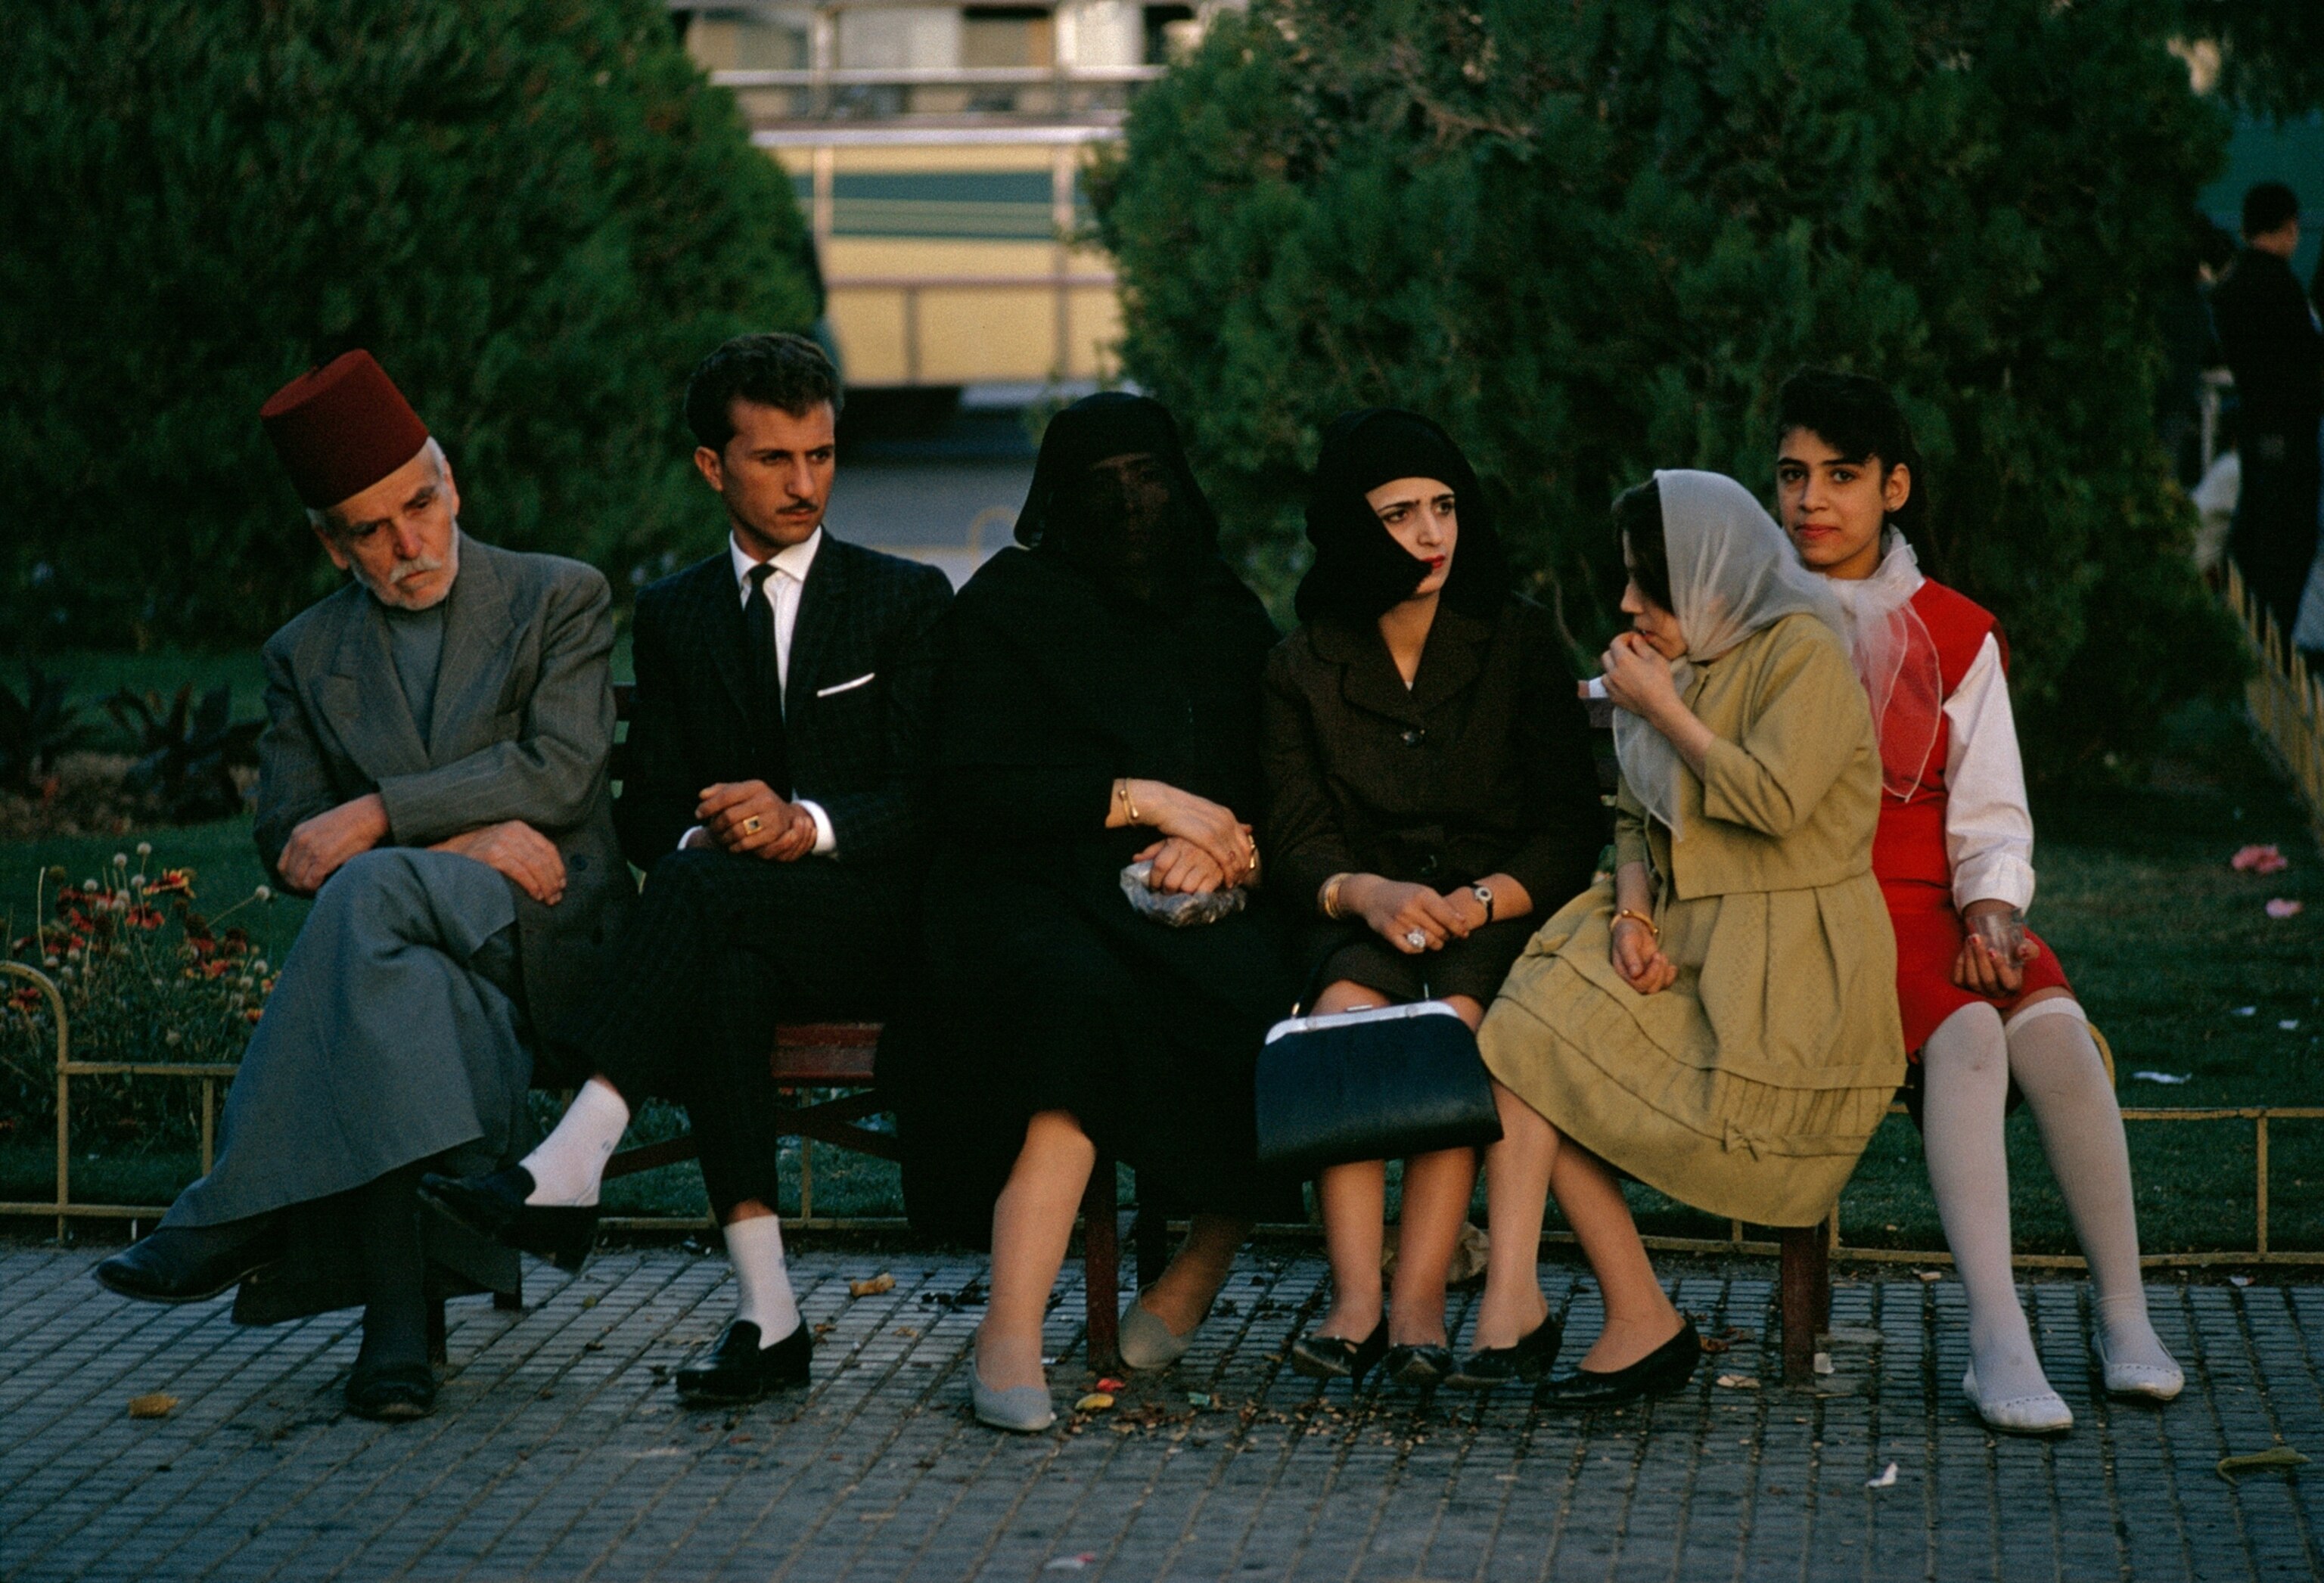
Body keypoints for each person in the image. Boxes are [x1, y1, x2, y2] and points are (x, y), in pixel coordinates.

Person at [95, 349, 630, 1421]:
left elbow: (561, 771)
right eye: (371, 528)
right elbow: (291, 846)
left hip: (550, 928)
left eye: (420, 506)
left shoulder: (556, 596)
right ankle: (397, 1341)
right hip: (422, 951)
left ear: (451, 484)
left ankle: (232, 1211)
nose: (409, 543)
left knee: (369, 897)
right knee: (406, 984)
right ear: (330, 543)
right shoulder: (305, 652)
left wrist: (383, 817)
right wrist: (460, 841)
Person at [424, 333, 952, 1407]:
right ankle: (770, 1317)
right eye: (774, 460)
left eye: (822, 455)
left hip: (883, 923)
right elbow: (652, 803)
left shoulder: (905, 598)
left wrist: (804, 824)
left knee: (706, 905)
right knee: (718, 958)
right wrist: (710, 829)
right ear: (712, 466)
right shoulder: (673, 614)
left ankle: (575, 1157)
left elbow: (935, 796)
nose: (805, 483)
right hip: (743, 925)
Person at [1774, 368, 2182, 1433]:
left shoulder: (1956, 630)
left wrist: (1994, 909)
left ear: (1895, 487)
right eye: (1793, 475)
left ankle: (2124, 1312)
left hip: (1948, 899)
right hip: (1836, 910)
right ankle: (1996, 1334)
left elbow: (1991, 806)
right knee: (1966, 1037)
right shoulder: (1762, 622)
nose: (1813, 499)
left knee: (2053, 1033)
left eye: (1843, 476)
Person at [884, 393, 1299, 1432]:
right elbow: (973, 791)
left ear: (1183, 483)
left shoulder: (1224, 610)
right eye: (1100, 485)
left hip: (1179, 891)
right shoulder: (1010, 604)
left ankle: (1199, 1266)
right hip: (1019, 881)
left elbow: (1272, 780)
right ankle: (1010, 1329)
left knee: (1259, 986)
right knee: (1074, 996)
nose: (1129, 505)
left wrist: (1228, 853)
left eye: (1149, 476)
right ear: (1057, 501)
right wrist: (1146, 799)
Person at [1472, 470, 1903, 1408]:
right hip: (1678, 930)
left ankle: (1622, 1317)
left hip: (1789, 970)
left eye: (1650, 585)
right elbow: (1634, 815)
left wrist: (1662, 705)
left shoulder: (1804, 656)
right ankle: (1532, 1299)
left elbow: (1776, 801)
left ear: (1714, 578)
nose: (1629, 604)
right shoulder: (1679, 656)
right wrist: (1630, 915)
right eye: (1628, 581)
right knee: (1518, 1035)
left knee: (1544, 1051)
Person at [1260, 408, 1605, 1389]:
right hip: (1367, 907)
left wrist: (1486, 898)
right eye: (1400, 512)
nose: (1431, 532)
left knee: (1448, 1030)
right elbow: (1295, 838)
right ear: (1349, 526)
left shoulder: (1518, 639)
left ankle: (1418, 1301)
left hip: (1496, 911)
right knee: (1342, 1020)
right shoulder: (1300, 665)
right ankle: (1356, 1299)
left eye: (1445, 506)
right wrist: (1365, 893)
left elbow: (1566, 825)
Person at [2211, 181, 2324, 635]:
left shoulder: (2232, 285)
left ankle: (2247, 632)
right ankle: (2274, 639)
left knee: (2256, 532)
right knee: (2290, 541)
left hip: (2256, 425)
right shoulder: (2281, 286)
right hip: (2292, 430)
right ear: (2290, 227)